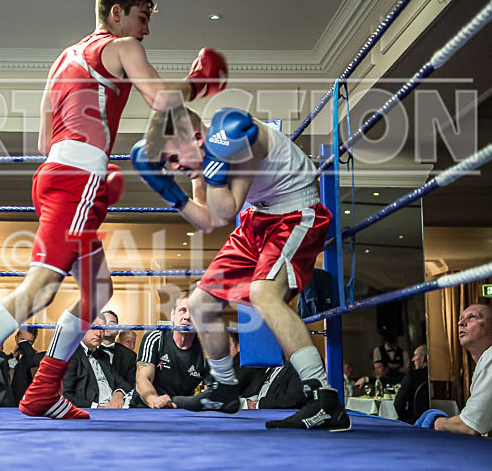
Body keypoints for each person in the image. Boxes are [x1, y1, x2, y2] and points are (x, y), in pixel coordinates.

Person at [0, 0, 227, 430]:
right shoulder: (120, 45)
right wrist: (201, 82)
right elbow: (160, 98)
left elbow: (44, 139)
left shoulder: (64, 58)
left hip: (58, 175)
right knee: (38, 287)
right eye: (143, 19)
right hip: (76, 179)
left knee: (98, 291)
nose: (146, 32)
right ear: (115, 14)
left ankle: (43, 390)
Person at [131, 106, 350, 430]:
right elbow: (208, 221)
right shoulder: (204, 160)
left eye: (175, 158)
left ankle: (324, 398)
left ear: (196, 138)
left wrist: (208, 173)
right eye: (169, 165)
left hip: (294, 210)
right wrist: (171, 193)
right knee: (200, 304)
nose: (174, 167)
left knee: (264, 293)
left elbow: (224, 212)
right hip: (257, 219)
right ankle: (224, 390)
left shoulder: (235, 137)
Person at [430, 305, 492, 441]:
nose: (461, 323)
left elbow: (470, 426)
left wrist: (436, 422)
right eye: (460, 319)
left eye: (472, 317)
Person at [130, 294, 208, 409]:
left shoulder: (206, 349)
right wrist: (155, 402)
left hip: (179, 411)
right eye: (183, 310)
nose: (187, 316)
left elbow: (211, 393)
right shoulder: (156, 338)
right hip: (145, 408)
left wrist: (177, 402)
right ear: (173, 315)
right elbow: (142, 379)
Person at [62, 314, 131, 409]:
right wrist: (98, 408)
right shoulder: (70, 354)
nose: (98, 334)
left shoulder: (103, 356)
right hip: (91, 413)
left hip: (116, 408)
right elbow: (65, 395)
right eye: (93, 328)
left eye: (102, 330)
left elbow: (122, 383)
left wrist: (118, 394)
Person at [99, 309, 136, 388]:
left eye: (111, 323)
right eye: (103, 323)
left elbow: (131, 383)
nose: (107, 325)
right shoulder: (88, 350)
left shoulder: (129, 356)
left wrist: (120, 392)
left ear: (118, 330)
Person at [9, 327, 45, 404]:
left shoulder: (38, 361)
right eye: (22, 340)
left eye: (29, 342)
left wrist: (24, 345)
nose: (25, 345)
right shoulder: (5, 359)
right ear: (16, 338)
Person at [394, 344, 429, 423]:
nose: (413, 359)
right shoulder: (438, 375)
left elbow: (398, 403)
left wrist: (405, 419)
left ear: (423, 358)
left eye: (415, 355)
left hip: (414, 420)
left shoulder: (412, 375)